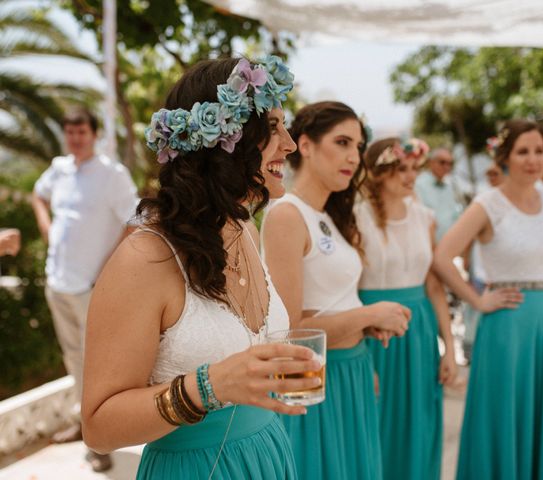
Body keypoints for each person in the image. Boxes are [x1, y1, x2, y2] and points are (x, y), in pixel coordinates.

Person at [81, 56, 319, 479]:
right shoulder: (145, 259)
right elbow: (99, 426)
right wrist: (206, 388)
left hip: (267, 455)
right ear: (228, 140)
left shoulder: (244, 227)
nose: (290, 143)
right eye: (273, 128)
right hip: (195, 467)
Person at [262, 101, 411, 480]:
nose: (354, 156)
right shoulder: (286, 214)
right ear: (306, 145)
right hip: (310, 382)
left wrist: (362, 331)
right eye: (342, 142)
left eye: (358, 146)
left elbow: (332, 302)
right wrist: (370, 315)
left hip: (354, 371)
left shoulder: (330, 217)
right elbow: (290, 330)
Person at [434, 119, 543, 479]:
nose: (533, 160)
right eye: (523, 151)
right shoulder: (488, 204)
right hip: (505, 324)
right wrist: (478, 300)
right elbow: (442, 258)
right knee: (502, 415)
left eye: (539, 151)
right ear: (505, 156)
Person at [31, 107, 139, 472]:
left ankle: (100, 441)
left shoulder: (112, 175)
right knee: (73, 357)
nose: (76, 138)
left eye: (82, 132)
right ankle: (84, 425)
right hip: (57, 281)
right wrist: (47, 228)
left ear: (94, 135)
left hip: (92, 287)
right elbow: (37, 195)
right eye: (70, 132)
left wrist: (109, 271)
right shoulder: (59, 168)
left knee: (99, 364)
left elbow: (136, 221)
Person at [355, 137, 457, 479]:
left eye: (415, 169)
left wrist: (450, 349)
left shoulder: (425, 217)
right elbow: (348, 291)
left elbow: (433, 286)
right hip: (373, 334)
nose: (411, 176)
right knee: (378, 424)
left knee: (420, 423)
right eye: (402, 168)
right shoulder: (356, 218)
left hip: (419, 333)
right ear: (379, 172)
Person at [462, 160, 505, 360]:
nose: (492, 178)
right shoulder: (483, 199)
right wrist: (466, 256)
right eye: (490, 174)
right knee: (474, 307)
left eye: (495, 173)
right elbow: (469, 234)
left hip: (498, 270)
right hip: (480, 266)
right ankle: (470, 348)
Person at [415, 147, 464, 241]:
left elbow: (457, 215)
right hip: (430, 245)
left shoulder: (451, 186)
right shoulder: (419, 185)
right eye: (442, 162)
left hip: (451, 245)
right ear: (431, 162)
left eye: (450, 164)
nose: (446, 167)